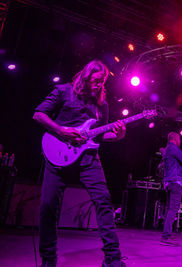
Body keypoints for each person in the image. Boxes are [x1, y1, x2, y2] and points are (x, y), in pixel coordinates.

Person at [33, 60, 126, 267]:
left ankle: (113, 259)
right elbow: (38, 115)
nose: (99, 85)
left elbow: (100, 136)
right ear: (86, 76)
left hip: (88, 159)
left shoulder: (102, 105)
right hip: (57, 156)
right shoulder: (63, 92)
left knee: (103, 201)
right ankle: (48, 260)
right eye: (96, 81)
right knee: (48, 206)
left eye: (102, 82)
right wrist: (61, 130)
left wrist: (118, 136)